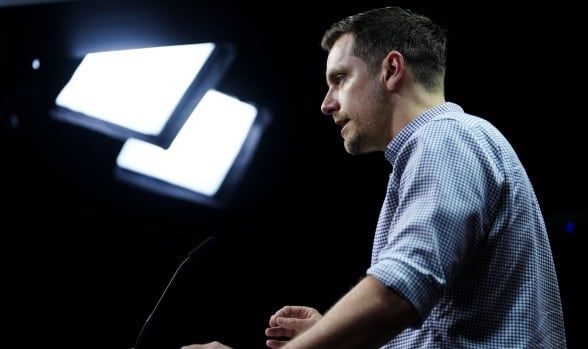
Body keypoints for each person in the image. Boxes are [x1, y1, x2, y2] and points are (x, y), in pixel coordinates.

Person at [182, 6, 566, 348]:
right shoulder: (444, 144)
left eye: (340, 78)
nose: (326, 102)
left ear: (391, 69)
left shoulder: (444, 136)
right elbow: (429, 322)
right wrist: (332, 335)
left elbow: (397, 294)